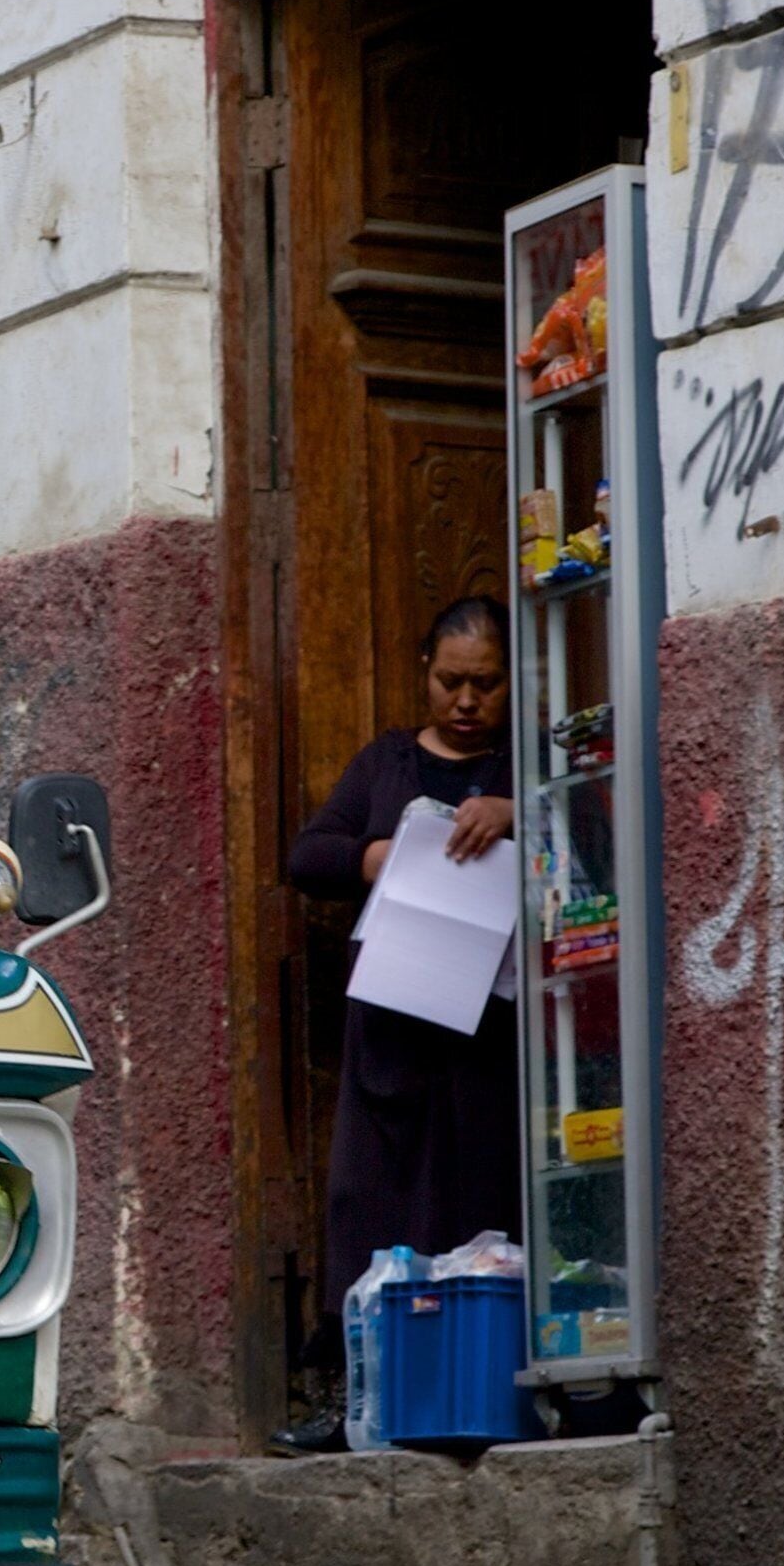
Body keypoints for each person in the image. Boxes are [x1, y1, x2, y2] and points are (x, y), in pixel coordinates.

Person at [272, 595, 519, 1451]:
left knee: (481, 1211)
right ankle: (356, 1405)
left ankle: (480, 1394)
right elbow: (308, 855)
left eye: (485, 685)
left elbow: (595, 827)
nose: (465, 702)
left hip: (489, 1041)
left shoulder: (526, 766)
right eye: (451, 681)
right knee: (365, 1210)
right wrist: (377, 855)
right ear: (425, 671)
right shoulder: (384, 765)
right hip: (391, 1034)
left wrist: (516, 811)